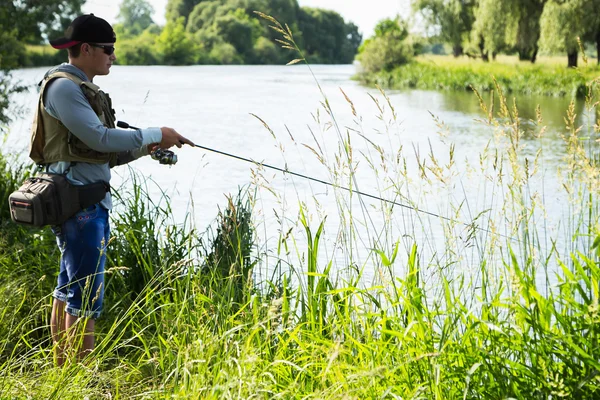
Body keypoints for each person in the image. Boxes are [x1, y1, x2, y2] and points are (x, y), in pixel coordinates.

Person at [32, 14, 194, 365]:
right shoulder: (63, 88)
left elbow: (101, 152)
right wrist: (155, 133)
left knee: (68, 291)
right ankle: (83, 378)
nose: (113, 57)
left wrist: (144, 147)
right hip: (80, 207)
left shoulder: (80, 88)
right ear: (86, 49)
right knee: (84, 298)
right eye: (108, 49)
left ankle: (64, 374)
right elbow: (100, 138)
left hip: (85, 203)